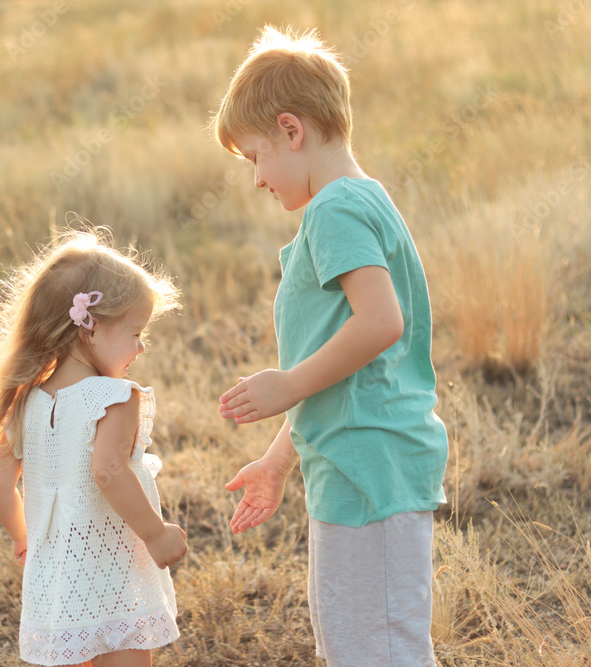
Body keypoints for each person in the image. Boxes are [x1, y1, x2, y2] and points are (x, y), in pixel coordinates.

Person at [210, 26, 448, 666]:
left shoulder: (337, 209)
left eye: (255, 156)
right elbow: (343, 372)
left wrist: (283, 385)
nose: (257, 179)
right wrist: (277, 461)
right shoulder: (354, 202)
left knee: (380, 648)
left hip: (374, 464)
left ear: (293, 131)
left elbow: (380, 325)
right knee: (353, 641)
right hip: (351, 463)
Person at [0, 229, 187, 667]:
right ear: (90, 328)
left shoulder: (23, 401)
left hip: (56, 584)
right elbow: (109, 471)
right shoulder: (115, 396)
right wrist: (156, 534)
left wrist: (25, 539)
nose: (141, 345)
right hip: (114, 574)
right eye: (136, 332)